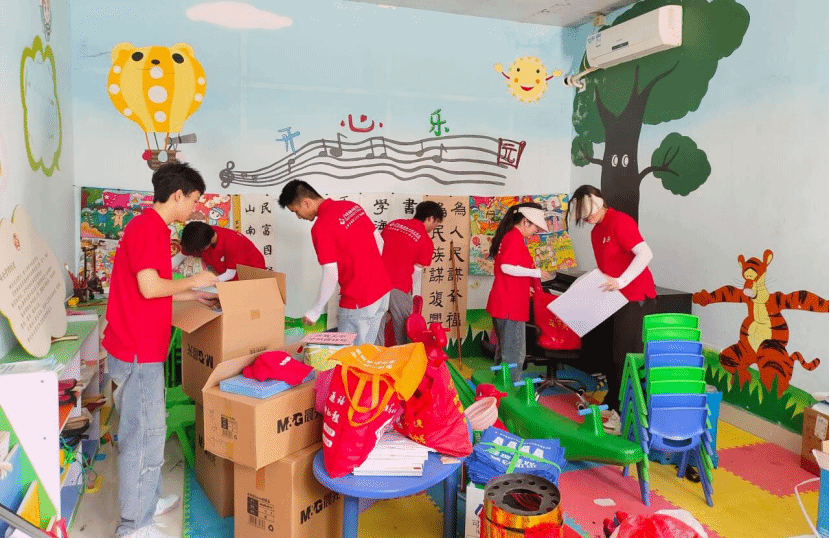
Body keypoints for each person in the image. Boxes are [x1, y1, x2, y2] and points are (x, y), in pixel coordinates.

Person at [102, 163, 219, 538]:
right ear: (178, 195)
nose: (195, 208)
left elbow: (153, 288)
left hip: (140, 344)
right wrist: (196, 278)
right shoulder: (149, 229)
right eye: (194, 200)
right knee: (144, 436)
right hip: (137, 349)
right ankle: (134, 525)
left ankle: (147, 502)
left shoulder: (150, 228)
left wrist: (193, 294)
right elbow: (151, 287)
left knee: (151, 431)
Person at [569, 184, 657, 433]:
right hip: (614, 300)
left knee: (623, 358)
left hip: (635, 298)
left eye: (589, 213)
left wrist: (622, 281)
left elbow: (645, 254)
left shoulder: (620, 221)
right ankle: (614, 404)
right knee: (609, 356)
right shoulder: (596, 231)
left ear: (600, 203)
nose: (587, 218)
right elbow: (607, 268)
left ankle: (626, 415)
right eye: (583, 216)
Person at [278, 180, 393, 345]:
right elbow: (379, 242)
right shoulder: (352, 207)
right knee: (367, 349)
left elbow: (331, 274)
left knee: (348, 355)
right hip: (382, 291)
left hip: (359, 300)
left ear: (306, 202)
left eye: (296, 211)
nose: (299, 217)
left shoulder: (321, 227)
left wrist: (316, 310)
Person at [486, 202, 553, 382]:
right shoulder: (514, 238)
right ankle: (509, 389)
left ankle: (500, 385)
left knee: (505, 351)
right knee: (514, 354)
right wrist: (536, 273)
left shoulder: (509, 237)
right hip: (510, 306)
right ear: (525, 222)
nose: (535, 231)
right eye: (535, 226)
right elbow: (507, 267)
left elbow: (509, 270)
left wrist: (526, 286)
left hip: (504, 303)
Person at [380, 200, 444, 345]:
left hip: (377, 283)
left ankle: (376, 357)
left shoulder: (393, 224)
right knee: (403, 328)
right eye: (436, 223)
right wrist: (407, 292)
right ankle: (403, 357)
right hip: (399, 285)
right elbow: (416, 272)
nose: (434, 227)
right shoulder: (426, 241)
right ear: (431, 218)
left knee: (376, 325)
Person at [179, 221, 266, 281]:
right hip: (225, 274)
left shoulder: (233, 242)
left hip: (250, 276)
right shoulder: (202, 234)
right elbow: (183, 252)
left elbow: (230, 274)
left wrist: (206, 283)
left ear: (204, 245)